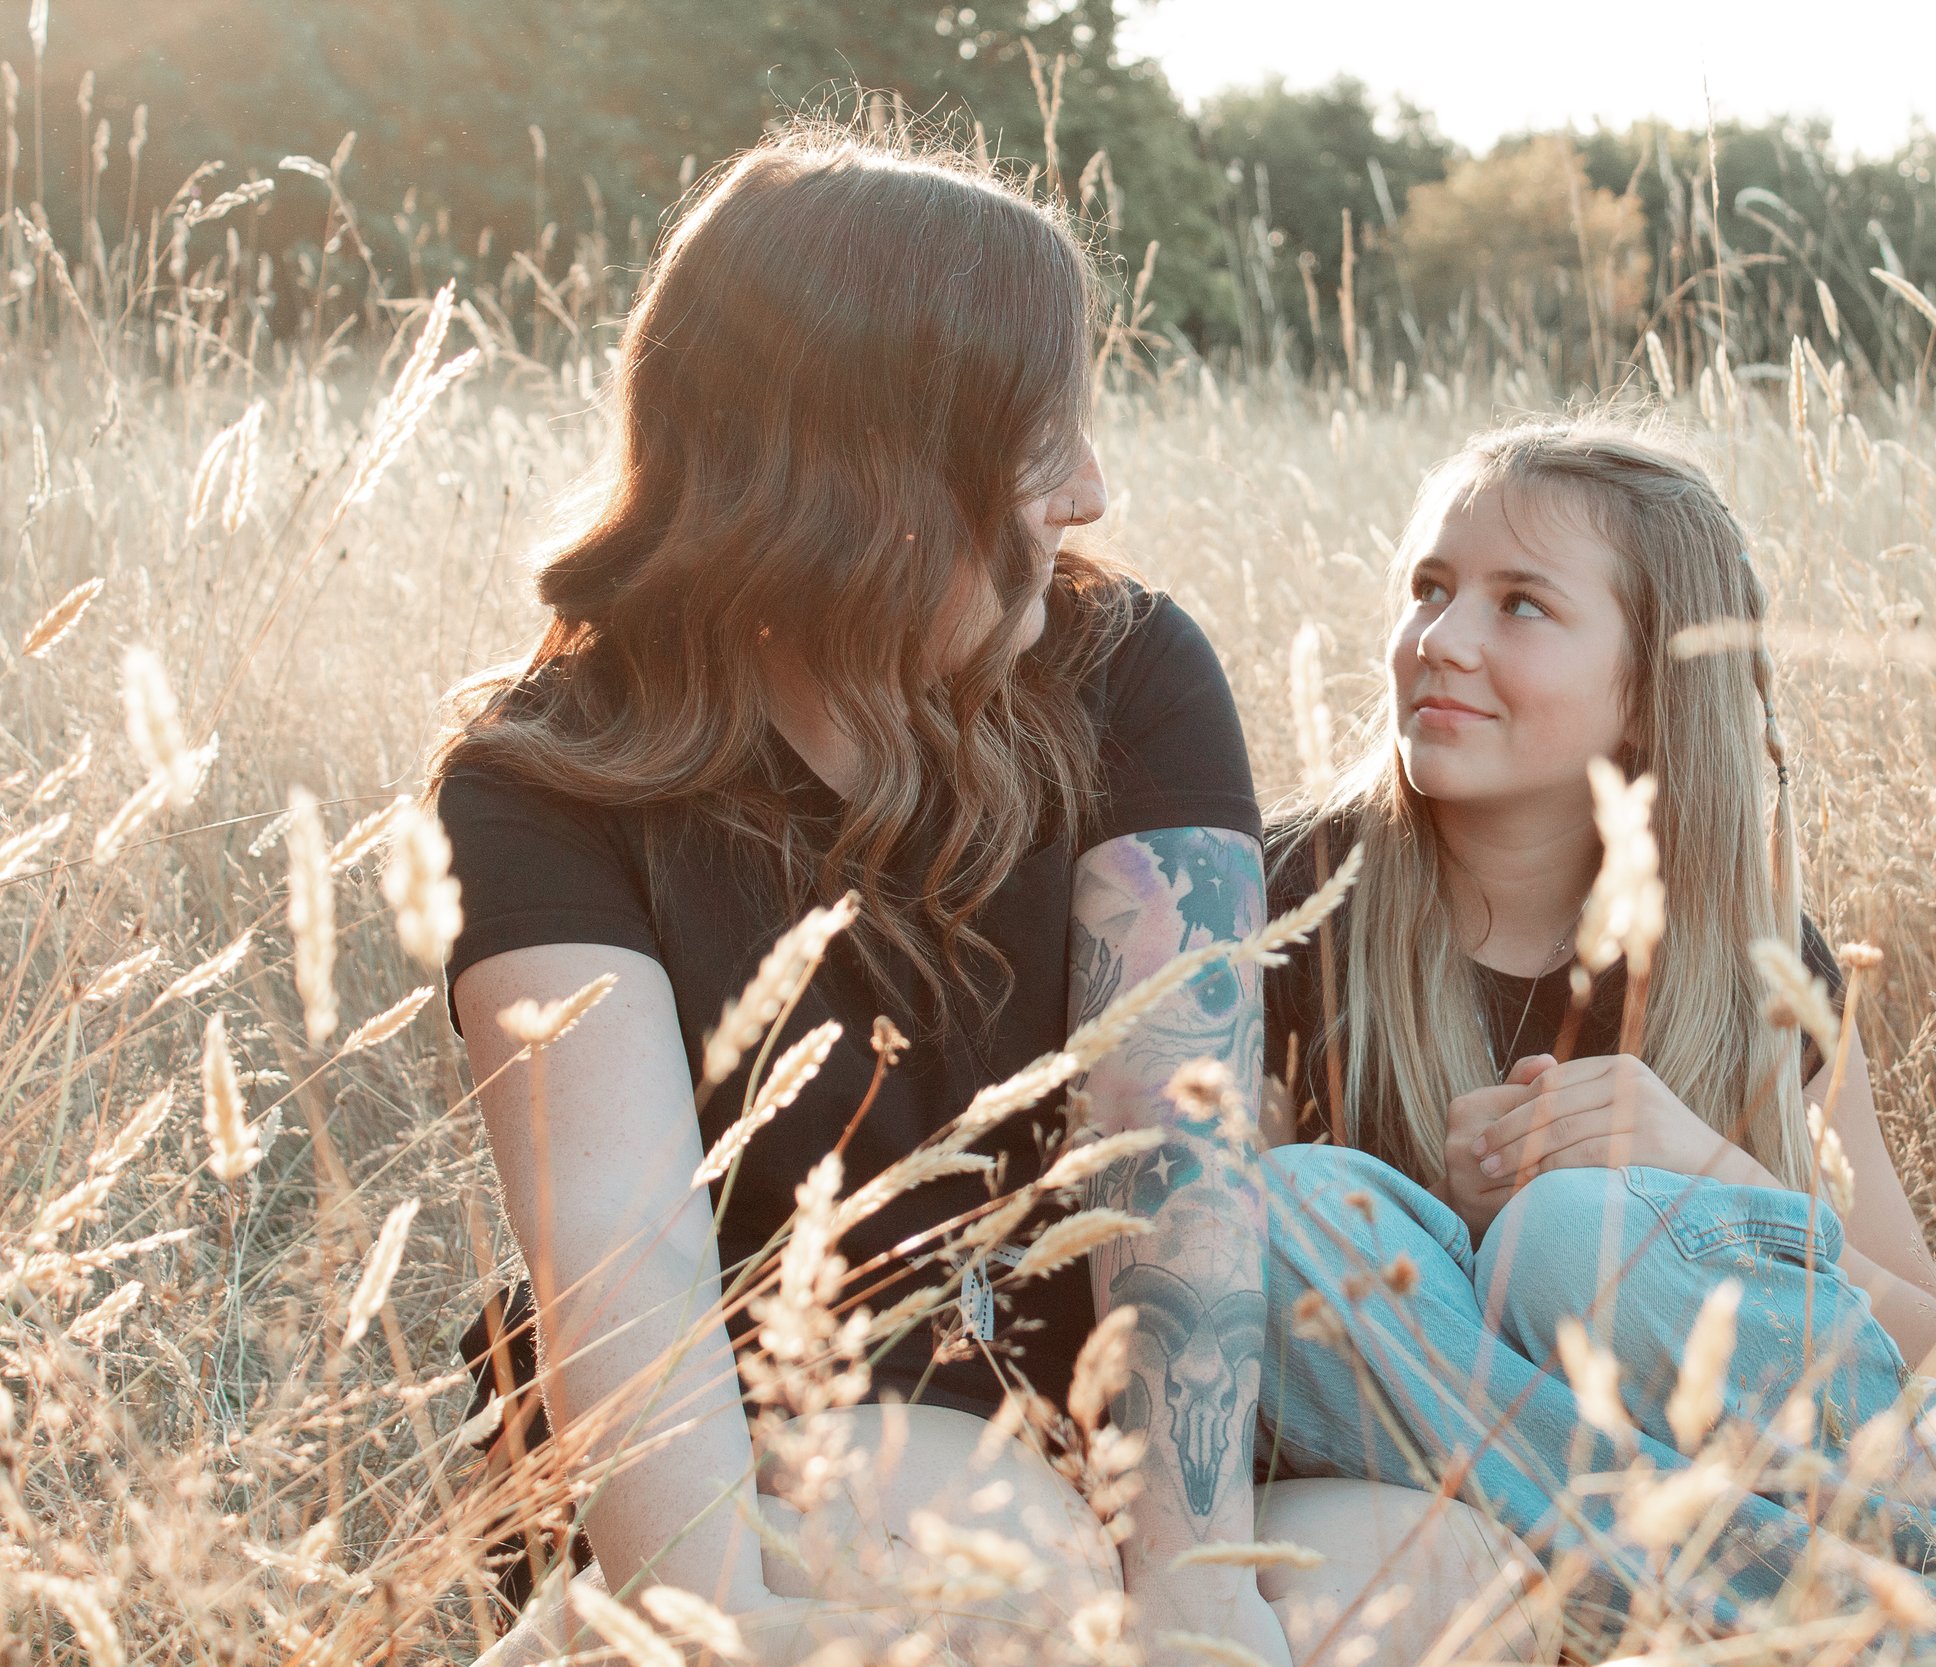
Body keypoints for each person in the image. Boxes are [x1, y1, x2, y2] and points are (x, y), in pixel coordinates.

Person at [432, 128, 1540, 1667]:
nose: (1093, 488)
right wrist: (727, 1618)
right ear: (870, 465)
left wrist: (1200, 1594)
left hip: (1089, 1423)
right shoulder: (541, 774)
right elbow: (620, 1239)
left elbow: (1173, 1153)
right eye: (1040, 438)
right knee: (1004, 1576)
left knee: (1452, 1572)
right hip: (736, 1438)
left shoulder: (1130, 667)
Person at [1258, 423, 1936, 1645]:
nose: (1440, 640)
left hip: (1669, 1494)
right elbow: (1209, 1301)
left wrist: (1711, 1178)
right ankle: (1903, 1629)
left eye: (1519, 604)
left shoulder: (1750, 958)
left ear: (1647, 685)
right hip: (1433, 1520)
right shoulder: (1288, 900)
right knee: (1280, 1216)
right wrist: (1451, 1221)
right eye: (1428, 588)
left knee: (1579, 1236)